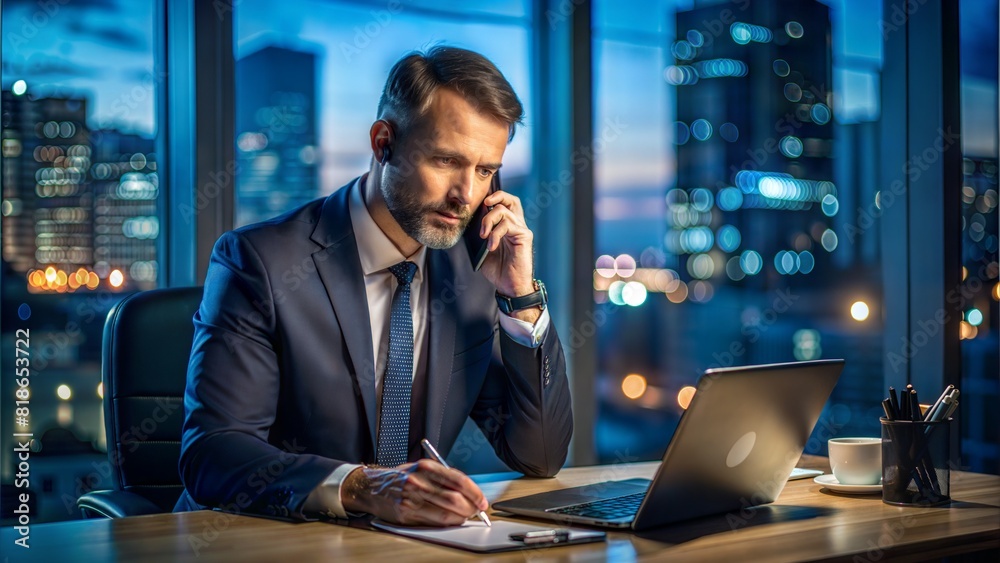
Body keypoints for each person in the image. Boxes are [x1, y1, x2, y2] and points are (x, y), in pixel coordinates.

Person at [174, 46, 573, 526]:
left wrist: (521, 296)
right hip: (262, 542)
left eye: (485, 170)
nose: (466, 195)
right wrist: (361, 486)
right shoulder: (259, 262)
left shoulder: (471, 275)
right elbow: (213, 453)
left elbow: (540, 456)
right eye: (446, 160)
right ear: (384, 142)